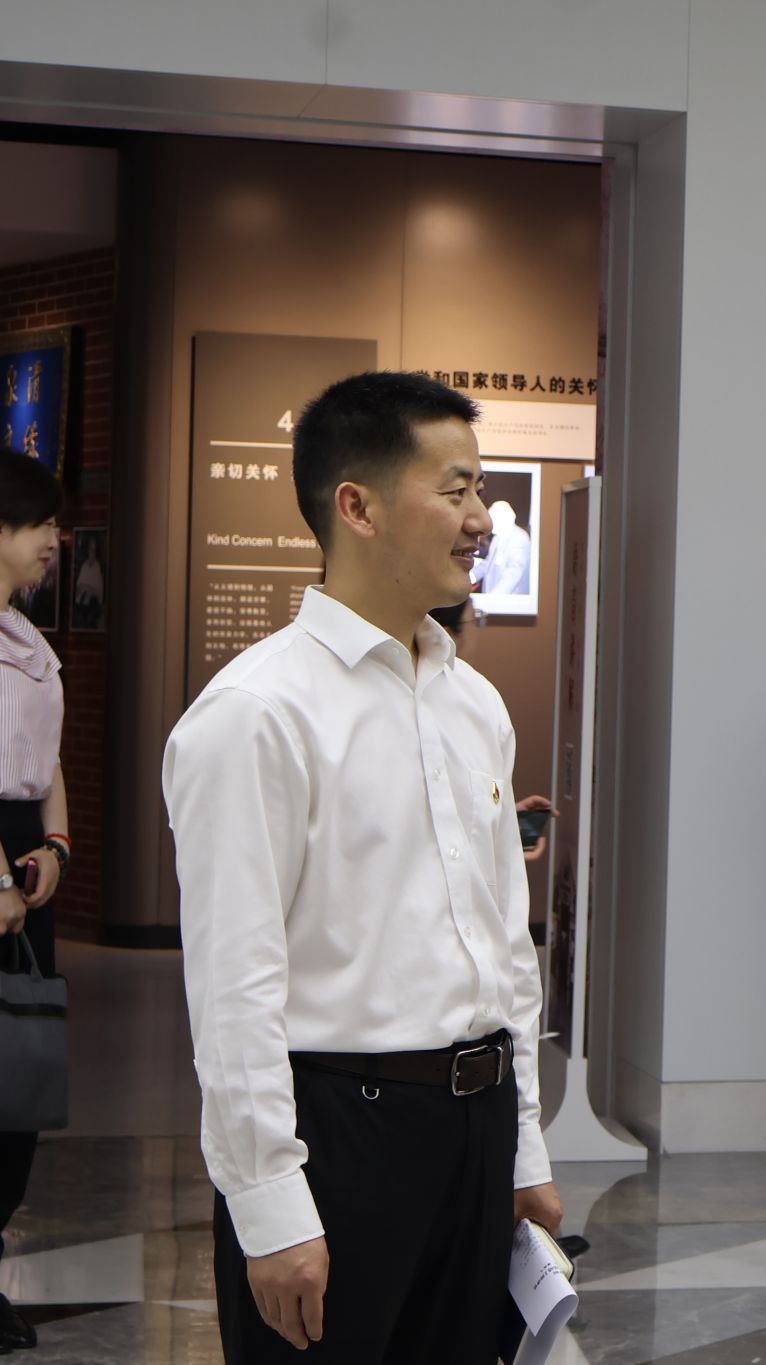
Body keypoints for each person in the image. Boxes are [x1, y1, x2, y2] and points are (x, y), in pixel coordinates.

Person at [164, 373, 561, 1363]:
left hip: (474, 1129)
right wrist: (270, 1208)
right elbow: (234, 986)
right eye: (457, 490)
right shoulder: (256, 714)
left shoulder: (474, 704)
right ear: (358, 506)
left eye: (480, 491)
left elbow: (504, 945)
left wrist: (521, 1145)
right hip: (339, 1133)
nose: (482, 519)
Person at [0, 448, 72, 1355]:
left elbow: (47, 757)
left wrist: (56, 843)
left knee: (19, 1069)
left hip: (26, 857)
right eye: (41, 523)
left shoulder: (27, 635)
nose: (56, 539)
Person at [428, 596, 554, 863]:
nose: (478, 630)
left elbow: (460, 809)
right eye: (475, 620)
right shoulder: (427, 709)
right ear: (445, 633)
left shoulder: (483, 701)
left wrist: (503, 817)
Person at [475, 500, 531, 597]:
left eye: (492, 518)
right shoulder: (497, 538)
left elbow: (513, 573)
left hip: (509, 600)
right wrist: (472, 576)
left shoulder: (519, 538)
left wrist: (494, 597)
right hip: (493, 598)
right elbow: (488, 563)